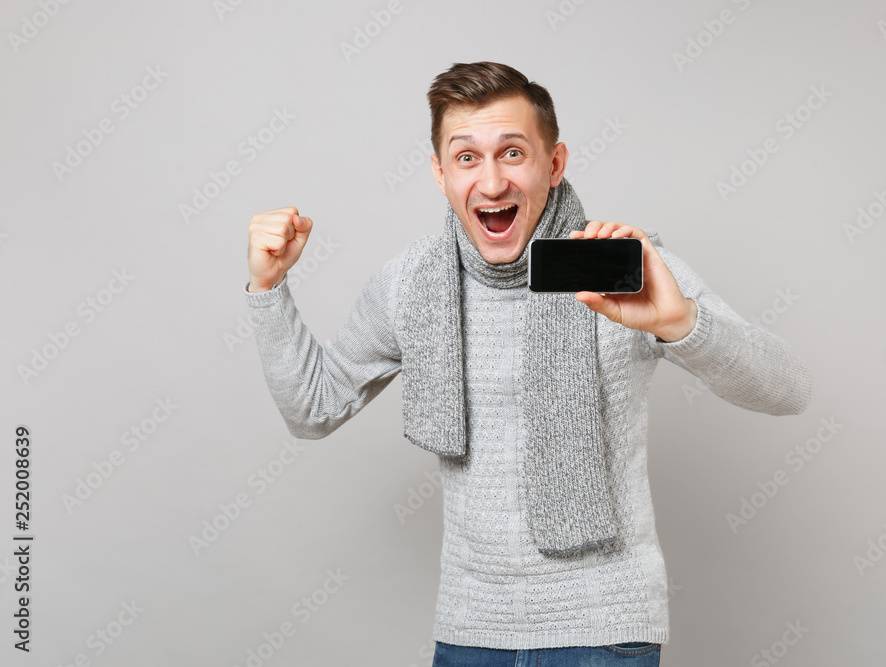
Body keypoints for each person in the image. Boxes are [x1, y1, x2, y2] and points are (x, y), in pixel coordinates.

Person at [244, 61, 812, 666]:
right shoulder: (411, 283)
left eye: (513, 153)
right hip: (472, 633)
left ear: (554, 163)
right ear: (440, 174)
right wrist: (267, 288)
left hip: (605, 631)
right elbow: (313, 410)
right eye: (467, 158)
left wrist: (678, 324)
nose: (491, 184)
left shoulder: (621, 267)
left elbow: (789, 389)